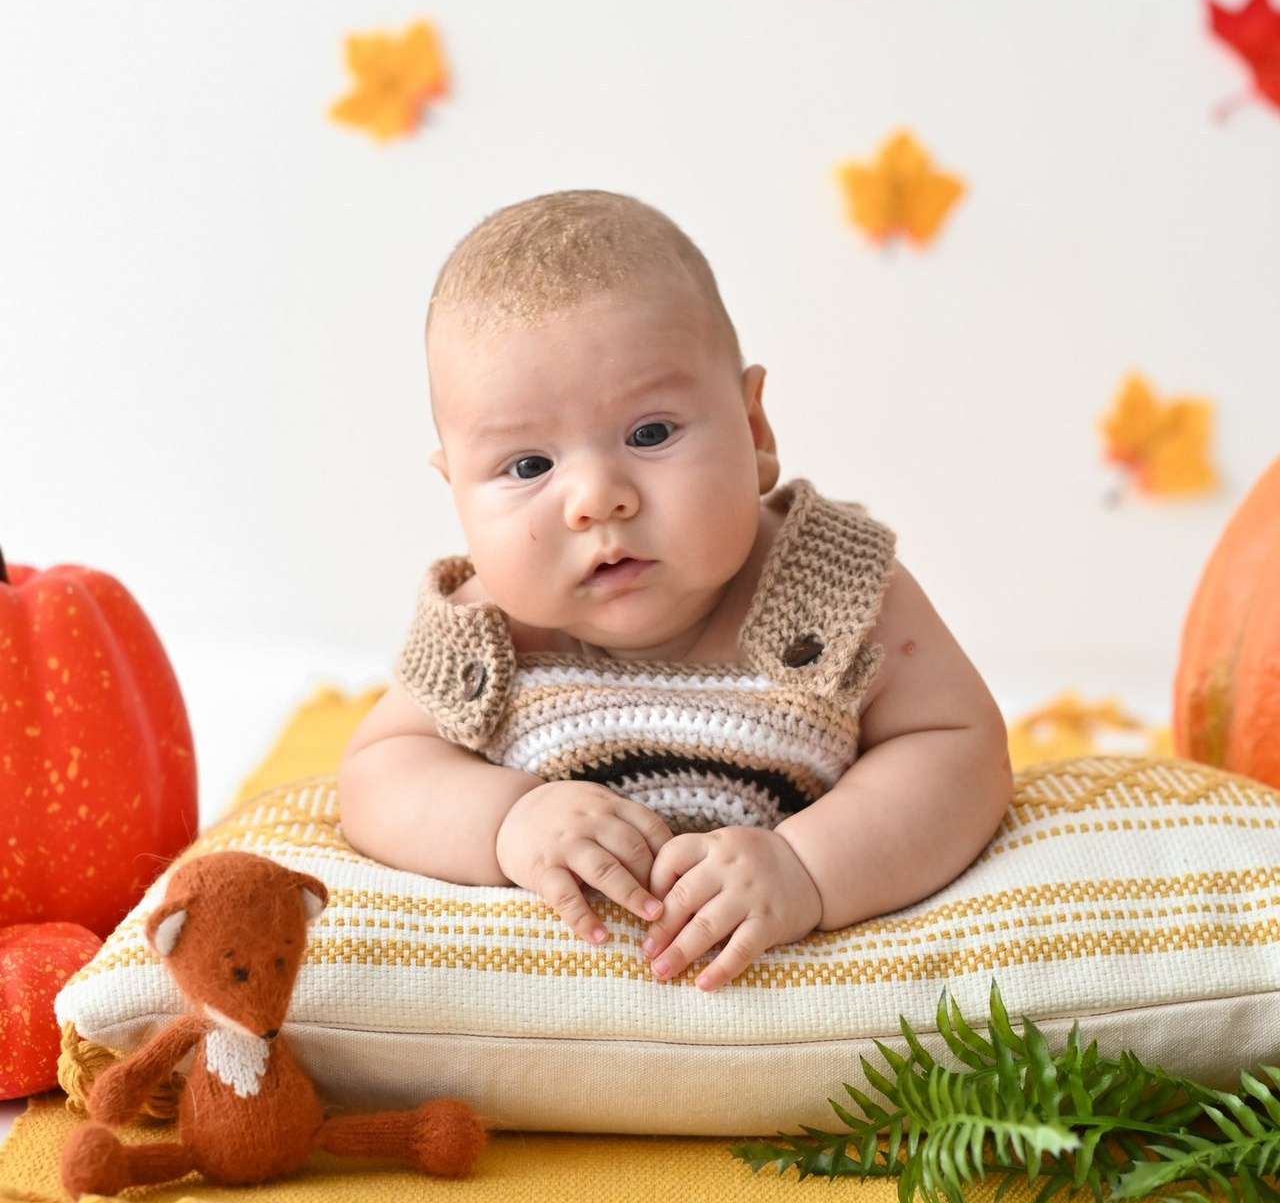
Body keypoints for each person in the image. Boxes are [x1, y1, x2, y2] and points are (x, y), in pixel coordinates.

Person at [337, 189, 1012, 993]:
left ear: (755, 431)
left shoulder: (834, 593)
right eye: (528, 467)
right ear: (455, 491)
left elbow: (958, 747)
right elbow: (377, 773)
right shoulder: (487, 635)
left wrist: (807, 865)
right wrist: (506, 818)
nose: (596, 498)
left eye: (650, 434)